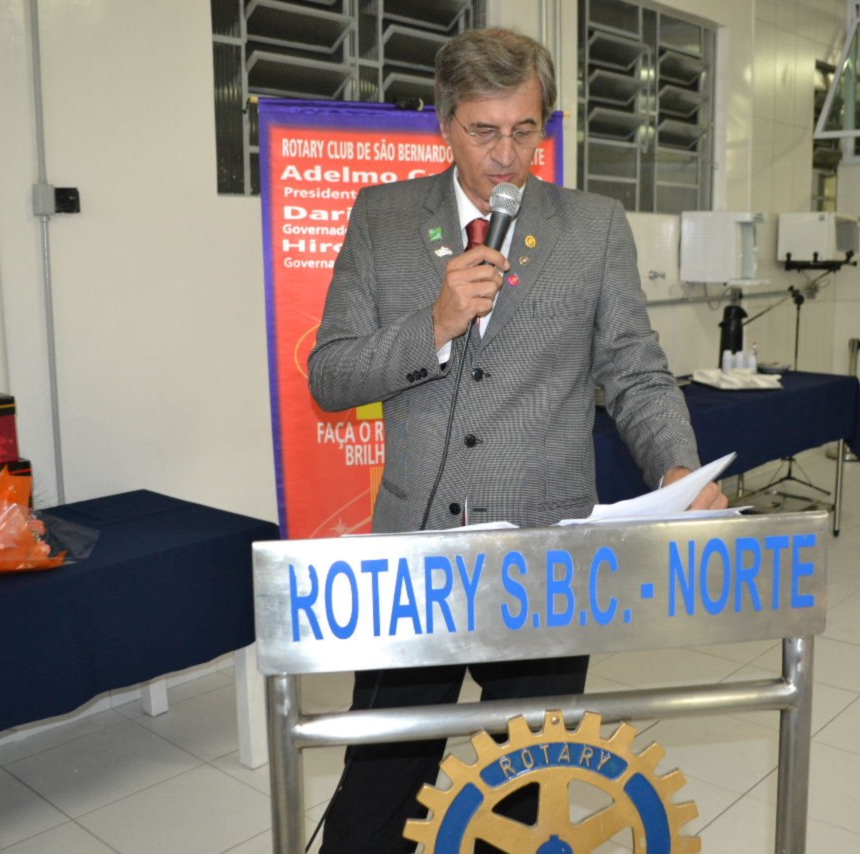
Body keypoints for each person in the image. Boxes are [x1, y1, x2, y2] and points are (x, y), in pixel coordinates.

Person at [307, 26, 726, 853]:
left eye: (525, 131)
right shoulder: (382, 218)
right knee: (377, 796)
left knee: (529, 795)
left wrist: (677, 469)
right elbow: (331, 375)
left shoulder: (593, 226)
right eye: (484, 132)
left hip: (545, 557)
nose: (507, 156)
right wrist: (434, 323)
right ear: (444, 123)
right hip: (418, 558)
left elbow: (637, 372)